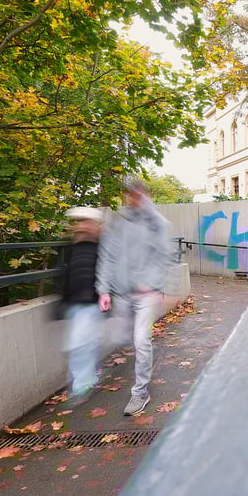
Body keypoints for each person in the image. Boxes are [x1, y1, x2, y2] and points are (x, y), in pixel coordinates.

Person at [96, 176, 175, 416]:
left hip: (145, 293)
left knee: (141, 340)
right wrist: (104, 290)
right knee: (120, 338)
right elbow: (107, 257)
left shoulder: (157, 223)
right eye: (131, 194)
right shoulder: (118, 223)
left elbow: (164, 256)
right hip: (122, 292)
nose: (134, 198)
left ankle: (140, 392)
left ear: (145, 195)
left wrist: (153, 284)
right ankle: (142, 362)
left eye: (139, 194)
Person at [57, 207, 105, 408]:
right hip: (76, 302)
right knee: (85, 343)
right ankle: (89, 378)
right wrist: (63, 301)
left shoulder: (101, 248)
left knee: (78, 344)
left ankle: (81, 386)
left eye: (84, 222)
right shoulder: (72, 248)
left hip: (91, 301)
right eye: (78, 222)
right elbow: (66, 275)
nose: (79, 226)